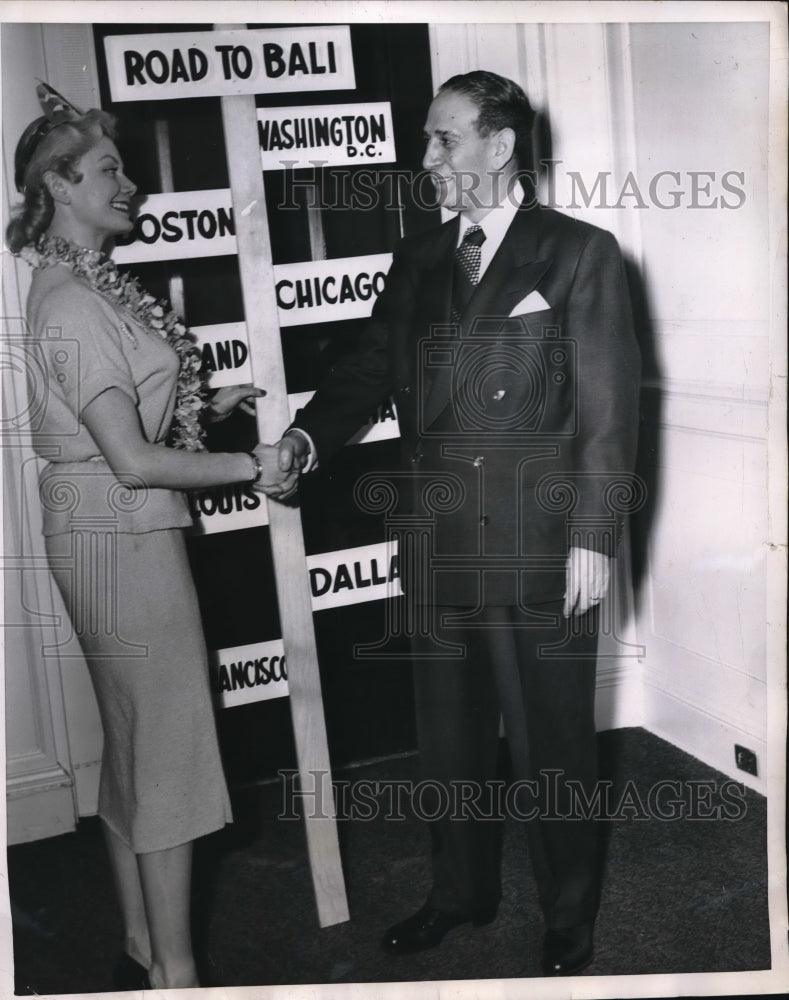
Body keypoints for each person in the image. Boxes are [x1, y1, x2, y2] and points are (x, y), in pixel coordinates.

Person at [276, 70, 641, 976]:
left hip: (536, 544)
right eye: (428, 139)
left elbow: (606, 411)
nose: (426, 158)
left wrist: (593, 538)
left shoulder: (579, 253)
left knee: (550, 741)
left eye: (443, 139)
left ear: (499, 145)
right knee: (448, 737)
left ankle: (567, 918)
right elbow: (367, 369)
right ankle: (458, 895)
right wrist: (303, 438)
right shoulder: (418, 258)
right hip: (435, 538)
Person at [6, 86, 297, 991]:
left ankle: (141, 942)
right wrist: (255, 465)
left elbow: (116, 417)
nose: (130, 184)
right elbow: (130, 459)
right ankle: (177, 971)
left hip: (102, 530)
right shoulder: (71, 304)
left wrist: (204, 408)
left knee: (133, 744)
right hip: (124, 537)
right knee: (167, 751)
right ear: (57, 188)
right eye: (107, 171)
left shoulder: (77, 286)